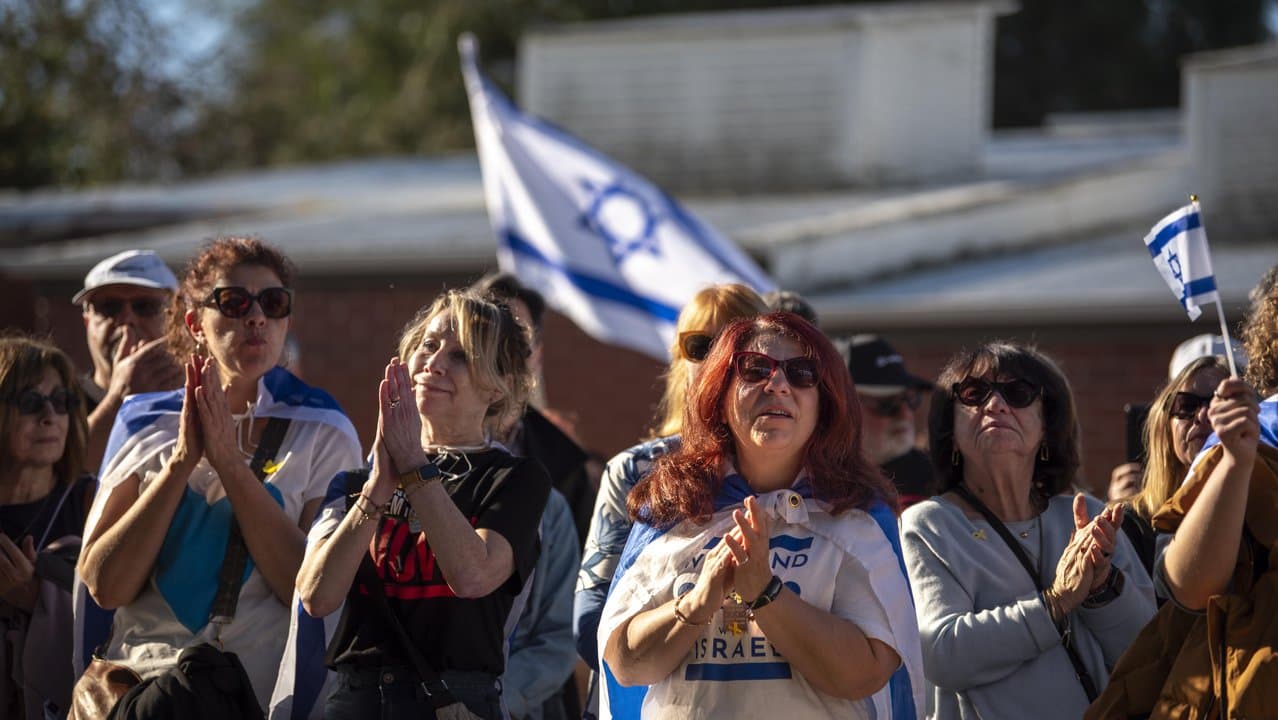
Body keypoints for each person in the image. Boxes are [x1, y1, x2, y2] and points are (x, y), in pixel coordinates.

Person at [77, 237, 363, 713]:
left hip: (261, 695)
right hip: (145, 690)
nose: (255, 317)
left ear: (286, 319)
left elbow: (308, 584)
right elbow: (104, 585)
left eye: (273, 303)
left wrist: (230, 465)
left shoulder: (323, 430)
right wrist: (181, 462)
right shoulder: (144, 422)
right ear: (195, 322)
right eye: (233, 302)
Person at [598, 312, 923, 719]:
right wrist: (698, 602)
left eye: (802, 373)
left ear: (826, 401)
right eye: (755, 369)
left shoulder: (856, 514)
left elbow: (867, 673)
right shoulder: (673, 507)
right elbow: (624, 662)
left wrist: (765, 593)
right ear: (719, 390)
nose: (778, 385)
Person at [295, 289, 552, 720]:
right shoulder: (355, 482)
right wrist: (378, 487)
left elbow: (472, 575)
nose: (434, 363)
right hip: (358, 699)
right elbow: (316, 597)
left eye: (461, 356)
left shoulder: (516, 480)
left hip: (453, 702)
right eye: (428, 345)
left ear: (499, 385)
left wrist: (414, 464)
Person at [900, 341, 1155, 719]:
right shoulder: (929, 524)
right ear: (950, 429)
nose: (995, 405)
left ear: (1047, 427)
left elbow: (1149, 654)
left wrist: (1101, 588)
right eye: (974, 393)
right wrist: (1056, 603)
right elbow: (942, 654)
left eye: (1018, 393)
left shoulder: (1088, 517)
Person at [1088, 265, 1278, 717]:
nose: (1203, 417)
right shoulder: (1258, 433)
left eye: (1213, 404)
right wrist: (1235, 461)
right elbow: (1188, 588)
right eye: (1186, 405)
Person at [574, 283, 767, 680]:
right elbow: (591, 619)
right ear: (681, 361)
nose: (719, 359)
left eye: (738, 346)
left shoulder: (797, 474)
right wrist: (692, 622)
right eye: (701, 346)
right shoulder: (633, 471)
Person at [471, 273, 585, 720]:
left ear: (535, 353)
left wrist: (492, 701)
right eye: (486, 334)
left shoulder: (567, 465)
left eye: (514, 337)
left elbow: (565, 622)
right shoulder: (409, 460)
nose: (501, 353)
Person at [0, 335, 93, 720]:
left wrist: (37, 599)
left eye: (61, 402)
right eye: (31, 402)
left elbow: (122, 623)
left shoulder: (93, 503)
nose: (50, 416)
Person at [1113, 356, 1230, 575]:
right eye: (1186, 405)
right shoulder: (1130, 524)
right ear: (1165, 427)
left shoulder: (1261, 513)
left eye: (1220, 403)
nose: (1203, 415)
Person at [74, 250, 183, 471]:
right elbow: (62, 473)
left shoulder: (200, 396)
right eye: (109, 308)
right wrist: (119, 400)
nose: (126, 319)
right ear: (87, 321)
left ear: (177, 317)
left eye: (145, 306)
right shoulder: (56, 399)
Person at [844, 334, 937, 509]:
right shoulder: (816, 483)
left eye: (909, 399)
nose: (905, 413)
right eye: (886, 403)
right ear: (841, 409)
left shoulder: (942, 479)